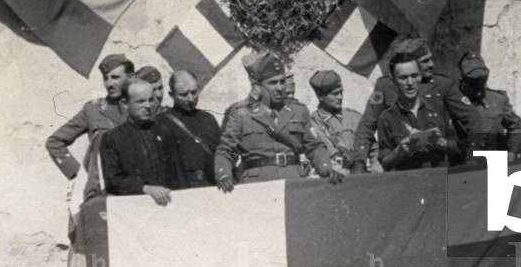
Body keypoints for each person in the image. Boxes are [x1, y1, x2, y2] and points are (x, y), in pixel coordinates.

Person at [214, 51, 342, 191]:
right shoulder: (241, 113)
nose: (280, 88)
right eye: (273, 83)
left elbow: (313, 146)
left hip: (293, 180)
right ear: (258, 86)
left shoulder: (298, 110)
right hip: (257, 185)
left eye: (282, 81)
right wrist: (224, 173)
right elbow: (228, 150)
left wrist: (325, 167)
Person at [350, 38, 480, 172]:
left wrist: (473, 156)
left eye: (430, 59)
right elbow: (367, 124)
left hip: (438, 164)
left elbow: (473, 120)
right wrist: (359, 161)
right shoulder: (385, 86)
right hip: (402, 167)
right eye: (425, 61)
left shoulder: (443, 84)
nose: (431, 64)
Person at [46, 53, 134, 202]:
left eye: (115, 78)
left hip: (136, 189)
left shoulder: (141, 108)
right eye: (106, 78)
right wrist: (79, 176)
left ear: (130, 77)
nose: (109, 84)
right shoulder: (93, 110)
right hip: (103, 191)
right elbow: (54, 142)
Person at [99, 79, 187, 205]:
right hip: (135, 208)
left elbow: (179, 173)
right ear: (125, 103)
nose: (148, 106)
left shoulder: (165, 131)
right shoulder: (112, 138)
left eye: (151, 100)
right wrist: (145, 188)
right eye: (141, 101)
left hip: (169, 205)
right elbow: (113, 180)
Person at [376, 51, 463, 171]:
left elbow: (458, 147)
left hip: (439, 183)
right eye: (403, 78)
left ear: (420, 76)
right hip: (408, 184)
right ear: (393, 81)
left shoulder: (439, 108)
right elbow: (385, 162)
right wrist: (399, 151)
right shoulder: (387, 118)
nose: (410, 83)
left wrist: (442, 143)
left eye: (414, 76)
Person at [457, 52, 521, 161]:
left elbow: (518, 126)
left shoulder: (497, 100)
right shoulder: (452, 100)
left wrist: (512, 151)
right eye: (473, 82)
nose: (479, 86)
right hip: (462, 165)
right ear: (463, 79)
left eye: (482, 80)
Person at [156, 70, 220, 188]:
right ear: (171, 95)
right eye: (183, 94)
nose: (190, 99)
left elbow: (224, 150)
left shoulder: (208, 119)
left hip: (211, 185)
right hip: (181, 188)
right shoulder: (161, 122)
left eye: (194, 92)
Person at [308, 70, 366, 175]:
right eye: (335, 94)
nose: (340, 97)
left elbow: (374, 149)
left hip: (359, 175)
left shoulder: (354, 117)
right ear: (320, 96)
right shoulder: (312, 123)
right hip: (333, 177)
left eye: (341, 92)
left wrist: (376, 172)